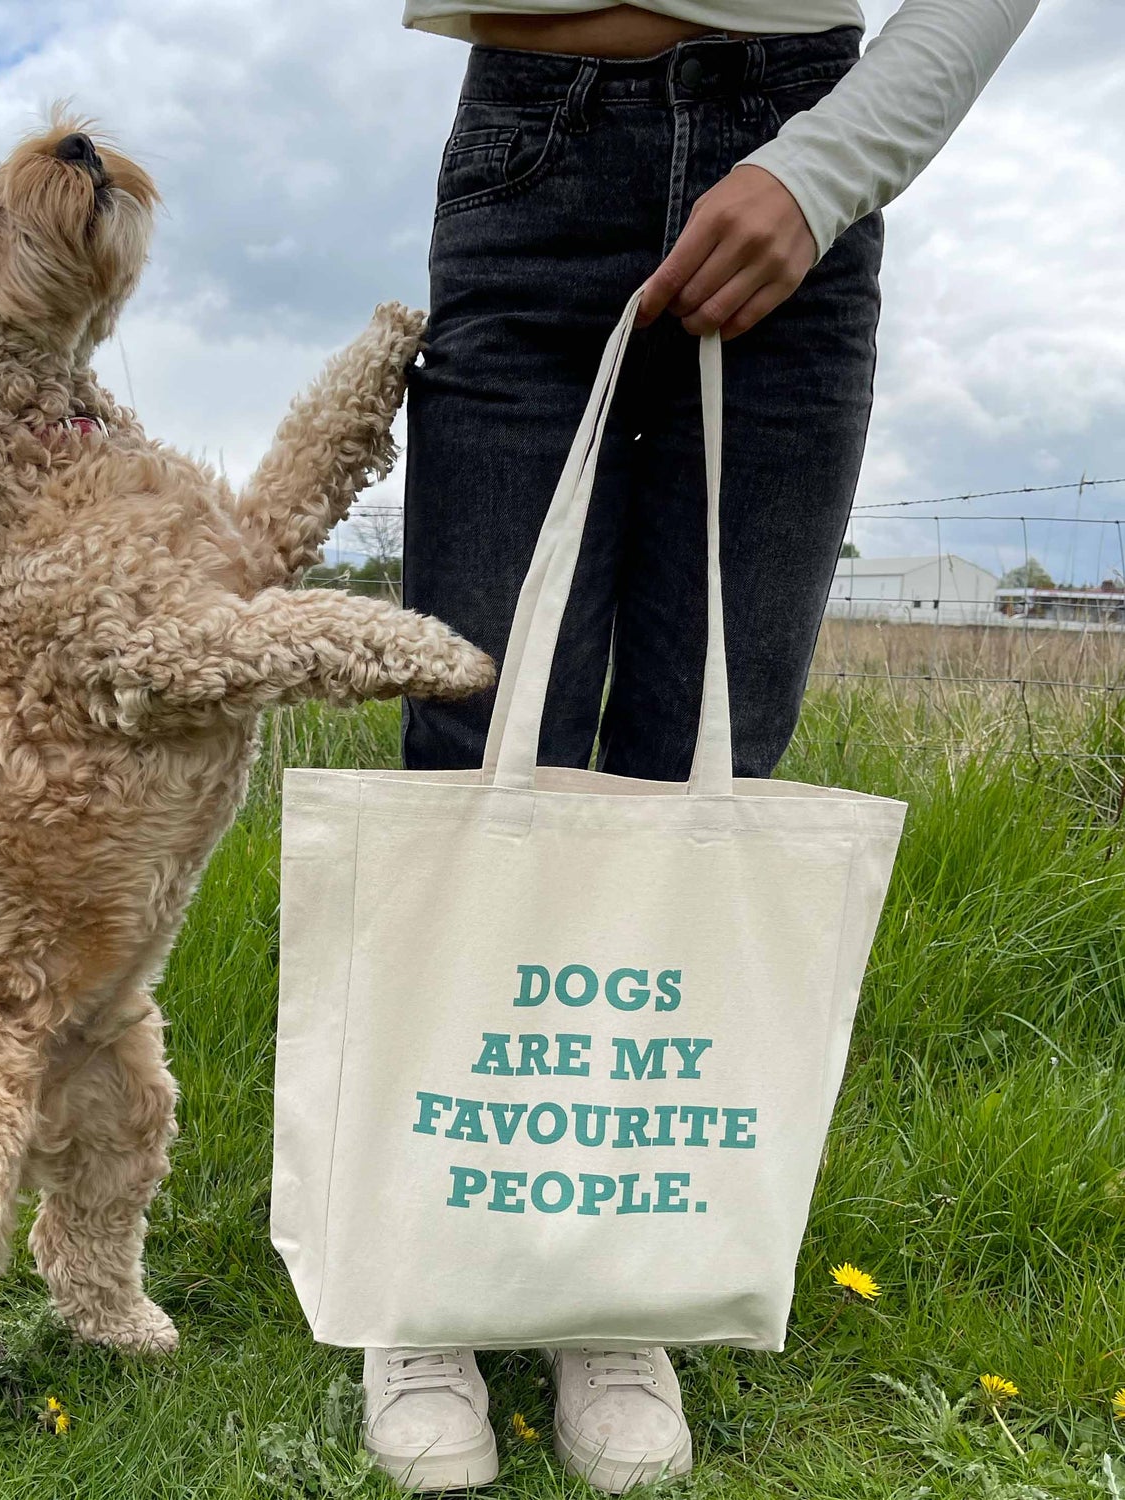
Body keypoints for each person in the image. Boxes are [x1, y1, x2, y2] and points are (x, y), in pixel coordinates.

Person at [366, 0, 1039, 1491]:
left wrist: (830, 164)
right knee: (482, 741)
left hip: (801, 139)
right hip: (531, 139)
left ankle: (615, 1283)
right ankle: (428, 1274)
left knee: (703, 749)